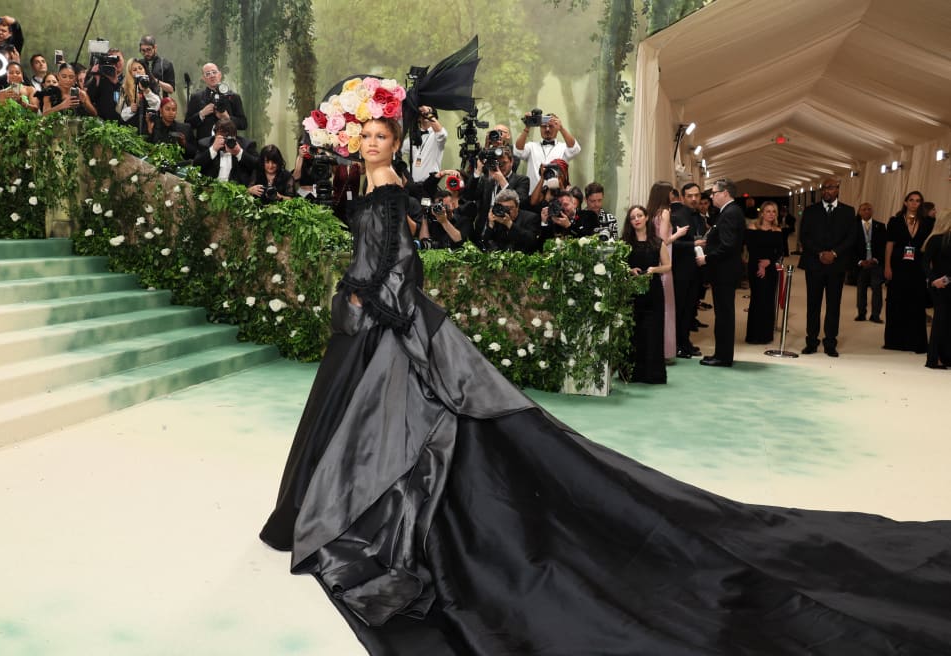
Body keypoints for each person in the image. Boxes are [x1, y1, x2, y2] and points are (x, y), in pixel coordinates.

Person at [260, 78, 951, 655]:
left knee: (406, 424)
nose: (372, 142)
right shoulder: (378, 185)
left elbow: (398, 265)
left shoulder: (384, 192)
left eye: (381, 134)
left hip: (386, 320)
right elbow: (391, 260)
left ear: (392, 138)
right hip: (383, 318)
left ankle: (363, 509)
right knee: (378, 416)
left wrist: (364, 299)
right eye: (367, 135)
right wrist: (366, 293)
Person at [799, 178, 856, 357]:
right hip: (814, 264)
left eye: (830, 188)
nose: (827, 191)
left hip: (836, 265)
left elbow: (851, 237)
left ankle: (830, 342)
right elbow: (804, 236)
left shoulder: (848, 211)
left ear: (838, 190)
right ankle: (812, 341)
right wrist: (820, 253)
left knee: (833, 305)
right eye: (824, 188)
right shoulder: (810, 211)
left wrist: (834, 253)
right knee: (813, 303)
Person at [696, 178, 745, 366]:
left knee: (724, 315)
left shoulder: (730, 213)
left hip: (725, 272)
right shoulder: (729, 211)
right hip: (725, 271)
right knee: (723, 314)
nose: (711, 196)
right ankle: (721, 354)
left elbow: (728, 246)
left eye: (714, 193)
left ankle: (723, 357)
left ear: (725, 193)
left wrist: (706, 258)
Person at [622, 204, 670, 383]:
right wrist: (629, 270)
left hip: (654, 292)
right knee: (634, 332)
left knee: (653, 331)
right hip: (632, 293)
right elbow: (620, 265)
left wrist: (654, 269)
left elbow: (668, 265)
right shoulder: (625, 243)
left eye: (639, 215)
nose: (636, 219)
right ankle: (632, 373)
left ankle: (653, 374)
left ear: (647, 217)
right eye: (633, 217)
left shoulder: (657, 242)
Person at [884, 190, 934, 354]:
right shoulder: (895, 221)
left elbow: (930, 246)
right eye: (911, 200)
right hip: (898, 265)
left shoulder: (927, 222)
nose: (914, 203)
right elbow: (889, 244)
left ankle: (915, 341)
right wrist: (887, 266)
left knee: (916, 302)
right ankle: (895, 341)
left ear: (921, 204)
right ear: (905, 202)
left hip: (918, 266)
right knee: (896, 301)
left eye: (918, 200)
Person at [647, 181, 688, 361]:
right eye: (671, 192)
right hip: (663, 260)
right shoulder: (664, 212)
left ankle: (654, 347)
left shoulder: (650, 212)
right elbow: (663, 241)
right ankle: (665, 350)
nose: (673, 195)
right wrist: (678, 234)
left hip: (652, 259)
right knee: (666, 306)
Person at [671, 182, 705, 357]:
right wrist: (694, 244)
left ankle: (685, 342)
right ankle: (678, 344)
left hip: (695, 269)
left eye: (697, 195)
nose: (694, 199)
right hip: (680, 270)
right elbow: (671, 244)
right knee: (681, 308)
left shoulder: (697, 216)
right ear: (683, 197)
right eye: (690, 196)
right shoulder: (677, 215)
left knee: (690, 308)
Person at [743, 201, 783, 344]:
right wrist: (761, 265)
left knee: (768, 300)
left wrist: (769, 262)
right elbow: (751, 248)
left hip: (771, 268)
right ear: (762, 213)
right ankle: (754, 335)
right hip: (755, 266)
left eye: (774, 211)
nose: (771, 214)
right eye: (768, 211)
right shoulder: (753, 227)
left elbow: (780, 251)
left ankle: (766, 335)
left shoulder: (778, 230)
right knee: (757, 299)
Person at [513, 110, 580, 191]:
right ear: (540, 128)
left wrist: (561, 128)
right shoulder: (531, 146)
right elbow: (518, 151)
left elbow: (575, 149)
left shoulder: (563, 147)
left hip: (557, 196)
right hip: (533, 196)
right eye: (544, 126)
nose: (547, 129)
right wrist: (527, 126)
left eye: (551, 126)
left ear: (557, 128)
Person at [186, 62, 247, 143]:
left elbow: (243, 124)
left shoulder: (233, 97)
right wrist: (201, 114)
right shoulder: (196, 97)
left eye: (214, 72)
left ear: (220, 75)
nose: (212, 75)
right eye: (208, 74)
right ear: (203, 78)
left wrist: (228, 118)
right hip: (204, 147)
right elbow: (187, 124)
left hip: (229, 146)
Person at [923, 209, 951, 369]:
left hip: (947, 283)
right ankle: (933, 358)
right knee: (940, 321)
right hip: (940, 285)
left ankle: (946, 356)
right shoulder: (935, 239)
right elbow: (925, 263)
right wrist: (934, 280)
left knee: (948, 323)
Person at [192, 118, 255, 185]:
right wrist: (213, 150)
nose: (225, 141)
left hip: (237, 190)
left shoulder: (246, 145)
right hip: (210, 189)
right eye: (222, 137)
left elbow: (257, 165)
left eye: (229, 137)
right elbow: (196, 165)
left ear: (235, 136)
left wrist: (239, 152)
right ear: (215, 135)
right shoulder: (204, 143)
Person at [853, 202, 886, 323]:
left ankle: (875, 315)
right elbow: (851, 247)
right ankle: (861, 313)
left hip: (875, 263)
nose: (866, 211)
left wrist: (876, 259)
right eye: (864, 209)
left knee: (877, 288)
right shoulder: (853, 226)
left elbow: (884, 246)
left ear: (872, 211)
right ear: (859, 212)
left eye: (869, 209)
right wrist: (860, 261)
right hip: (861, 264)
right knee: (861, 289)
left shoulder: (880, 226)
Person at [401, 105, 447, 183]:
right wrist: (403, 174)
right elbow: (397, 150)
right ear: (419, 117)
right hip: (411, 183)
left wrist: (428, 113)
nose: (425, 116)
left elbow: (442, 134)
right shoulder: (413, 136)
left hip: (428, 183)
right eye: (422, 114)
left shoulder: (436, 136)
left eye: (428, 114)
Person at [117, 58, 160, 133]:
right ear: (130, 73)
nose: (138, 71)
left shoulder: (152, 84)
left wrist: (146, 90)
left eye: (140, 68)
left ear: (145, 70)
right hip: (131, 128)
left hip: (149, 127)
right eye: (134, 69)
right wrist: (130, 109)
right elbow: (120, 112)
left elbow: (157, 105)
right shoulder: (125, 88)